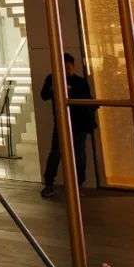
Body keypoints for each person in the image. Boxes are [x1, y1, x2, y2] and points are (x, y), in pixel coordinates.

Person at [41, 52, 97, 198]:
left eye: (68, 67)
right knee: (57, 153)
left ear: (73, 66)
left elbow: (88, 99)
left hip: (79, 123)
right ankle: (50, 184)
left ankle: (77, 185)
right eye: (63, 67)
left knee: (78, 155)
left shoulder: (80, 82)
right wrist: (53, 89)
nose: (66, 70)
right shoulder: (53, 79)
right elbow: (44, 95)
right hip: (62, 122)